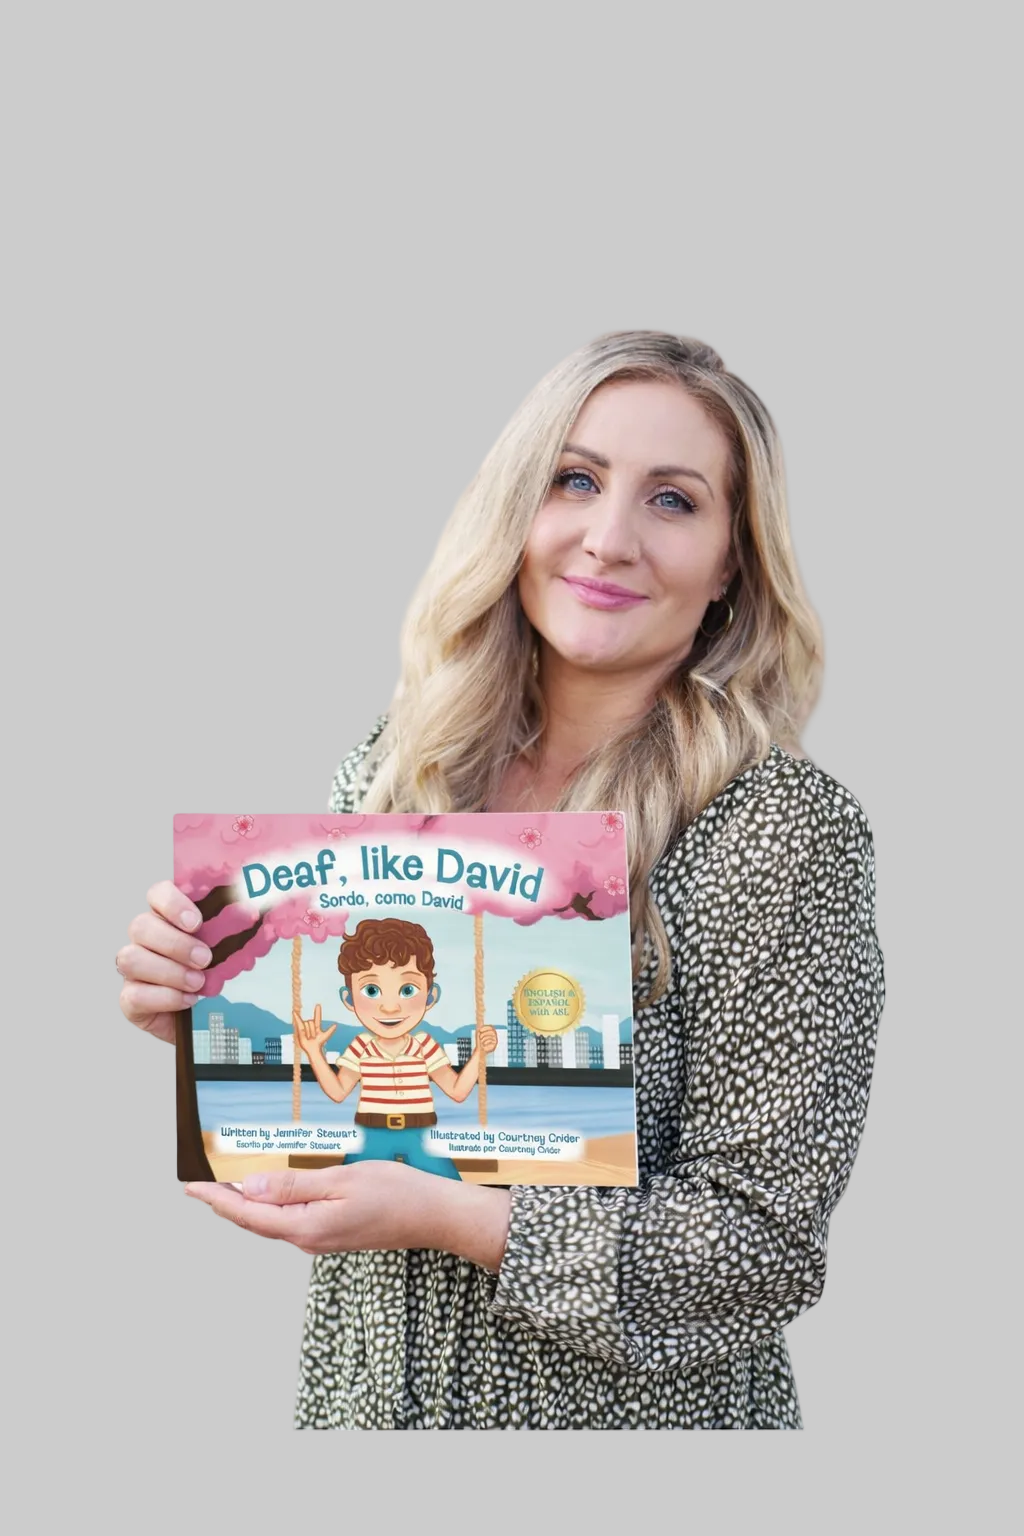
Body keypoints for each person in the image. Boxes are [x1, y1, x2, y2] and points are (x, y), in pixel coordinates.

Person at [116, 330, 885, 1429]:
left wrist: (457, 1218)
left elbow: (764, 1246)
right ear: (514, 506)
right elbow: (346, 1095)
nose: (608, 538)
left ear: (731, 563)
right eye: (574, 480)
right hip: (365, 1413)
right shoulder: (396, 768)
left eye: (673, 501)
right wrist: (206, 1007)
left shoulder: (781, 830)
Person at [293, 916, 499, 1179]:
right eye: (371, 990)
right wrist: (314, 1052)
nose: (390, 1007)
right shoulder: (361, 1047)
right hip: (371, 1134)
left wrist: (480, 1054)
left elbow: (457, 1091)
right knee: (352, 1186)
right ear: (349, 999)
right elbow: (338, 1092)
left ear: (430, 995)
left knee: (450, 1187)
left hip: (422, 1134)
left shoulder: (424, 1045)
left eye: (407, 990)